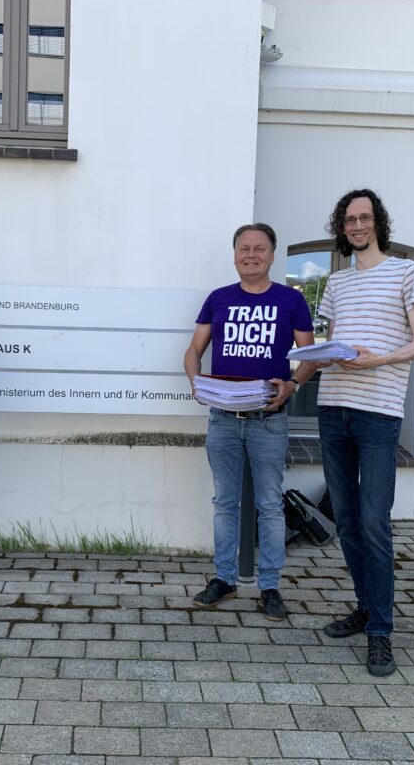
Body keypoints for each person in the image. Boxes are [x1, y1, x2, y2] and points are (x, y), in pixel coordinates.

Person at [315, 189, 414, 676]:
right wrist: (303, 368)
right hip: (332, 408)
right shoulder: (336, 283)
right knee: (344, 520)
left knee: (374, 524)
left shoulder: (407, 272)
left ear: (377, 222)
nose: (356, 226)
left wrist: (377, 359)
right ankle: (365, 607)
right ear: (341, 228)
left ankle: (381, 632)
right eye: (348, 220)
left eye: (363, 217)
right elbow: (325, 343)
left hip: (379, 414)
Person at [184, 223, 315, 620]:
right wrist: (195, 382)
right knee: (225, 503)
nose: (251, 255)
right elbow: (193, 350)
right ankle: (223, 578)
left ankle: (270, 586)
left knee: (270, 505)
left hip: (268, 420)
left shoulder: (291, 300)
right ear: (235, 254)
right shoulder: (218, 298)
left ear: (273, 255)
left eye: (260, 248)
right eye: (244, 248)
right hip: (222, 418)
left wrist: (292, 384)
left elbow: (310, 356)